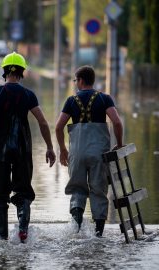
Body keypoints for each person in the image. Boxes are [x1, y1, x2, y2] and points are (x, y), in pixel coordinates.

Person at [0, 52, 56, 242]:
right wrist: (50, 147)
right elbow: (43, 123)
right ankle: (23, 232)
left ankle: (2, 237)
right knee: (23, 190)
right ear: (22, 72)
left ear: (4, 71)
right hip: (22, 148)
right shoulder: (28, 95)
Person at [55, 65, 123, 237]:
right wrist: (119, 143)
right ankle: (98, 233)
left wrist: (63, 149)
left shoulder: (71, 101)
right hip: (99, 154)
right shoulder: (104, 99)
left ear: (81, 80)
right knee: (98, 190)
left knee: (77, 188)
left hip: (76, 154)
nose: (75, 83)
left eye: (75, 80)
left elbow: (58, 127)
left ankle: (76, 229)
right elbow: (117, 122)